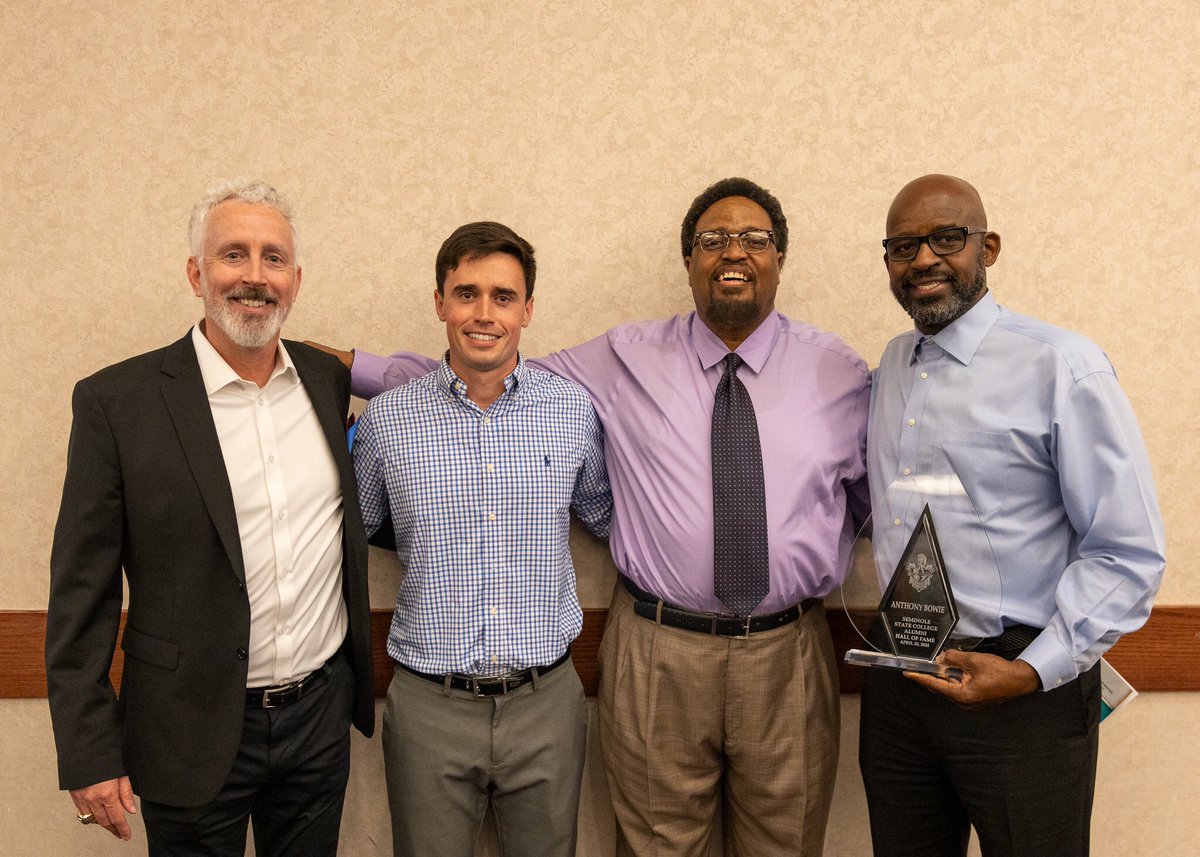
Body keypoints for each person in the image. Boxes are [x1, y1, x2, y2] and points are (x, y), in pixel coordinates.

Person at [311, 178, 870, 856]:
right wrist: (335, 368)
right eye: (712, 239)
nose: (734, 252)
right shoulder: (621, 357)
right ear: (688, 260)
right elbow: (487, 375)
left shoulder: (841, 372)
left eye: (755, 239)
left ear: (781, 256)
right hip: (660, 648)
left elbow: (875, 493)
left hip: (790, 651)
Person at [45, 178, 374, 856]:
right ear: (197, 272)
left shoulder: (324, 380)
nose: (255, 276)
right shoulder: (118, 403)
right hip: (186, 727)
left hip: (317, 723)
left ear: (296, 279)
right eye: (234, 254)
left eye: (273, 258)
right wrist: (88, 748)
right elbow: (83, 590)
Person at [860, 174, 1166, 857]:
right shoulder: (893, 365)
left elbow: (1129, 552)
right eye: (903, 245)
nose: (923, 260)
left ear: (987, 247)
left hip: (1020, 685)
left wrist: (1033, 669)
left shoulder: (1062, 366)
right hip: (902, 682)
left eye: (946, 238)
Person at [351, 221, 611, 857]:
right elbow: (356, 529)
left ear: (527, 309)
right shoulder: (388, 420)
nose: (483, 313)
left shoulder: (572, 412)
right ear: (440, 302)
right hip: (429, 704)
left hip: (546, 700)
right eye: (466, 293)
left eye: (502, 296)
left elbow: (605, 518)